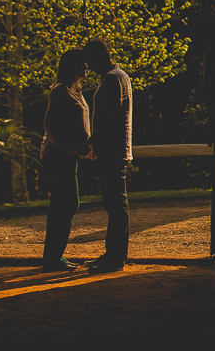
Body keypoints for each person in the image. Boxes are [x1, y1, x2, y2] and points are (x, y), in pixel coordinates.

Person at [83, 39, 133, 273]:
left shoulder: (113, 79)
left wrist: (93, 142)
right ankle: (113, 254)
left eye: (90, 62)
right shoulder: (119, 76)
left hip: (112, 151)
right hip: (115, 149)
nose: (89, 68)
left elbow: (107, 118)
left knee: (115, 204)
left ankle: (114, 258)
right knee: (115, 204)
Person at [40, 48, 91, 272]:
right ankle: (52, 258)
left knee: (66, 204)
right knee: (66, 204)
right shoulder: (60, 91)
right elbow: (51, 127)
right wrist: (74, 147)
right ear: (71, 66)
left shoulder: (75, 91)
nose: (86, 67)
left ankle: (55, 256)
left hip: (70, 154)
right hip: (59, 154)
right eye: (82, 63)